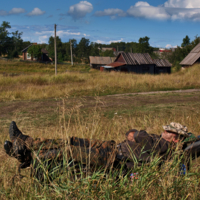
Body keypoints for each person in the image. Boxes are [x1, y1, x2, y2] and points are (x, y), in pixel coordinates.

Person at [4, 121, 199, 179]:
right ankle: (26, 143)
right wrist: (135, 134)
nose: (164, 131)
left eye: (168, 131)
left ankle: (26, 152)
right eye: (165, 129)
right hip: (111, 148)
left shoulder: (165, 147)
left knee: (68, 151)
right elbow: (130, 133)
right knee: (70, 142)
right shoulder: (159, 141)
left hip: (113, 157)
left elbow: (136, 136)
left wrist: (138, 134)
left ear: (175, 137)